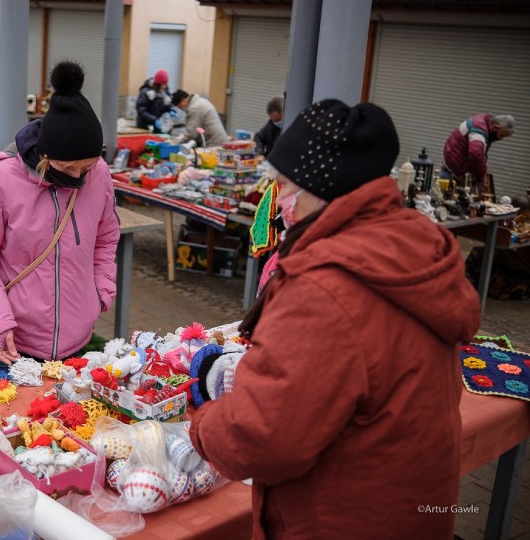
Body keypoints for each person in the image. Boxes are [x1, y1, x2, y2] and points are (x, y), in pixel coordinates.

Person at [189, 99, 481, 538]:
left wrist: (203, 423)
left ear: (318, 190)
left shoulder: (326, 285)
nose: (278, 201)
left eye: (284, 187)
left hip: (338, 515)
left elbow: (264, 437)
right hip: (403, 504)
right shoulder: (405, 247)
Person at [0, 60, 120, 372]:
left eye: (87, 166)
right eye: (67, 168)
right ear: (44, 156)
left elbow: (106, 236)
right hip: (10, 340)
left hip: (75, 340)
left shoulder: (100, 175)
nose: (79, 177)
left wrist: (101, 289)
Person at [442, 113, 515, 186]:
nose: (501, 138)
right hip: (452, 173)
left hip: (453, 169)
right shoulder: (479, 128)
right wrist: (481, 177)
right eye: (501, 135)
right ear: (496, 127)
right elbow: (475, 154)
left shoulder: (485, 124)